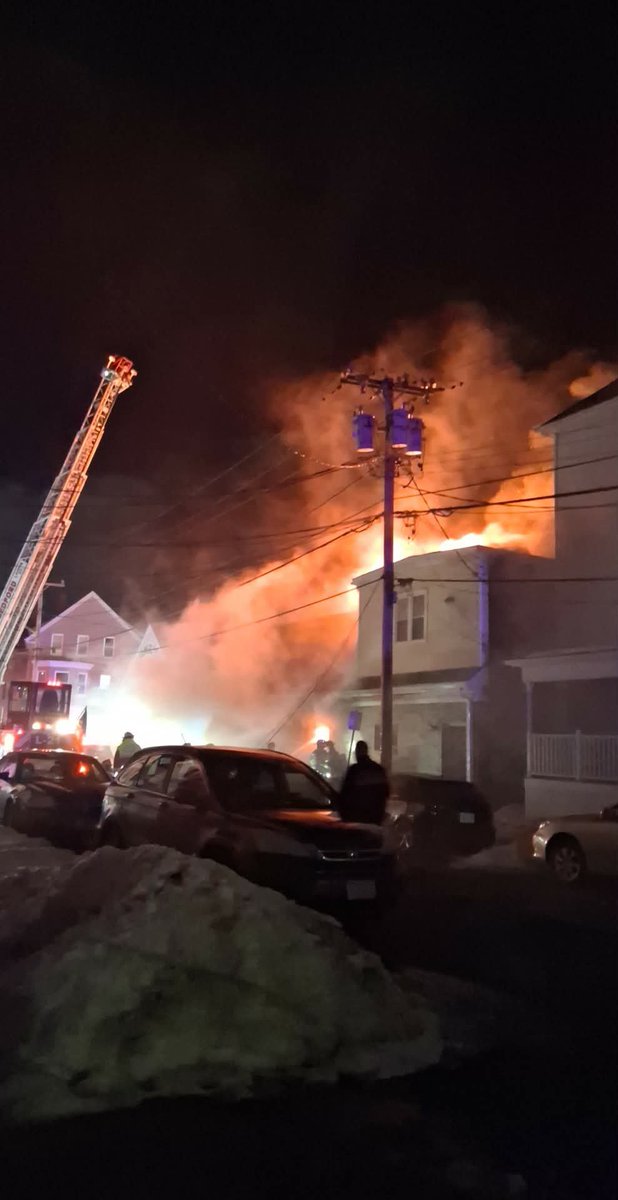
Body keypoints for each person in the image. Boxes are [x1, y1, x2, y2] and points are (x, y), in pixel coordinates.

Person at [338, 739, 389, 825]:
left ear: (357, 753)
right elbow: (386, 792)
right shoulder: (378, 769)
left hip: (357, 818)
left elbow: (345, 793)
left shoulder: (354, 771)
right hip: (375, 817)